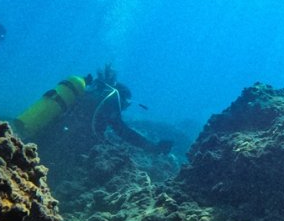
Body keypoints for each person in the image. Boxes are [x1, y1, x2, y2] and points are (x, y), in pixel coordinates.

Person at [13, 64, 172, 155]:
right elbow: (121, 130)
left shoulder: (93, 89)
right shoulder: (112, 97)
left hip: (53, 128)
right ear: (124, 99)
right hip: (65, 142)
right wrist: (153, 147)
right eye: (126, 105)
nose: (123, 109)